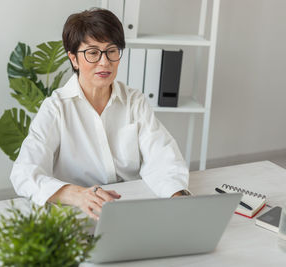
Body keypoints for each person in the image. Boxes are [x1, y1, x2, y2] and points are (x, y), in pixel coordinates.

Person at [10, 8, 190, 220]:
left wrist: (178, 197)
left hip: (130, 207)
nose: (104, 62)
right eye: (93, 53)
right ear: (74, 59)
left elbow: (162, 156)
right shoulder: (56, 107)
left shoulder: (134, 101)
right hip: (78, 212)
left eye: (111, 51)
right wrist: (77, 194)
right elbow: (23, 173)